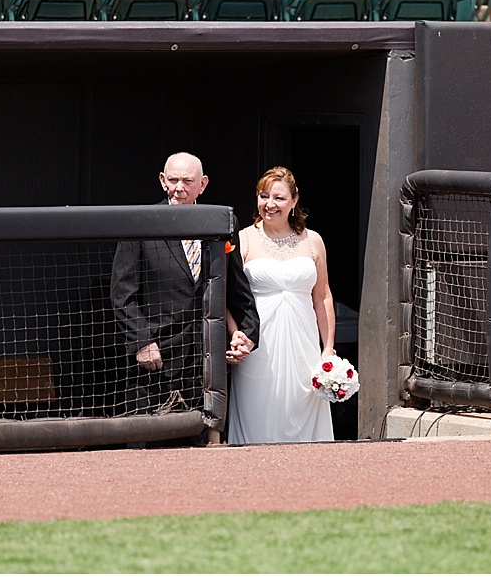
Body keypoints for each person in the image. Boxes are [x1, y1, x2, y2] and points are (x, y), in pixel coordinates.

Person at [110, 152, 260, 419]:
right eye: (173, 180)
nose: (179, 188)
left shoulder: (221, 223)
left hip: (206, 364)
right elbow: (122, 294)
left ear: (202, 184)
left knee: (204, 438)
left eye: (187, 181)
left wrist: (248, 333)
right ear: (162, 180)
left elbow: (236, 286)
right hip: (155, 363)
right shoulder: (140, 223)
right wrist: (142, 341)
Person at [227, 166, 336, 444]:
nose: (270, 204)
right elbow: (227, 294)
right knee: (258, 416)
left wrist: (328, 348)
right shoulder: (243, 238)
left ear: (294, 201)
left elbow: (322, 296)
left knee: (304, 410)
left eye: (279, 198)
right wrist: (236, 333)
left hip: (303, 343)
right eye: (264, 196)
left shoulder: (313, 241)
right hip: (259, 344)